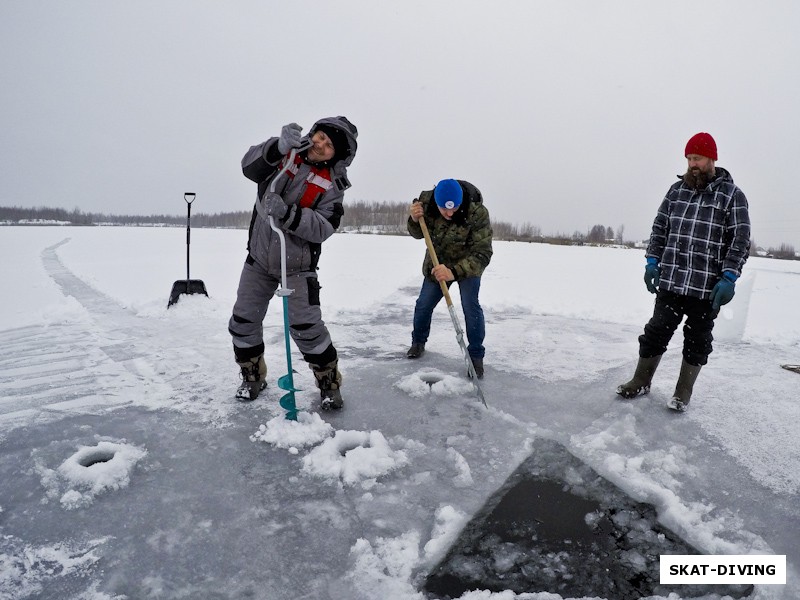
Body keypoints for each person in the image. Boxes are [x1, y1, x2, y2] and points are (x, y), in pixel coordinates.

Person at [228, 116, 358, 409]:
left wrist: (288, 214)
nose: (321, 145)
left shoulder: (334, 187)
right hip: (259, 259)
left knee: (307, 327)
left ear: (336, 155)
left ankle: (328, 382)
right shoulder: (285, 155)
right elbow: (249, 167)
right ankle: (252, 375)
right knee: (243, 320)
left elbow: (324, 226)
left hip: (298, 266)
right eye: (320, 137)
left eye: (329, 146)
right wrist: (276, 147)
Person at [616, 132, 750, 412]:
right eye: (689, 158)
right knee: (655, 332)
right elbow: (659, 229)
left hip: (706, 288)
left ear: (712, 159)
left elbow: (739, 241)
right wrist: (652, 262)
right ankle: (641, 380)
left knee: (697, 340)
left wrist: (729, 277)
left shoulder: (732, 196)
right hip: (672, 281)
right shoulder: (676, 192)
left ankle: (682, 392)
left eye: (697, 158)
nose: (692, 163)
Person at [406, 179, 493, 378]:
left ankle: (476, 356)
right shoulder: (425, 204)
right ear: (436, 203)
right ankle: (418, 342)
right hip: (437, 264)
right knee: (423, 304)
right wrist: (413, 219)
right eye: (444, 210)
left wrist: (453, 272)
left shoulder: (477, 213)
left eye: (454, 209)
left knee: (470, 306)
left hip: (467, 265)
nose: (450, 214)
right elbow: (417, 233)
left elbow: (483, 253)